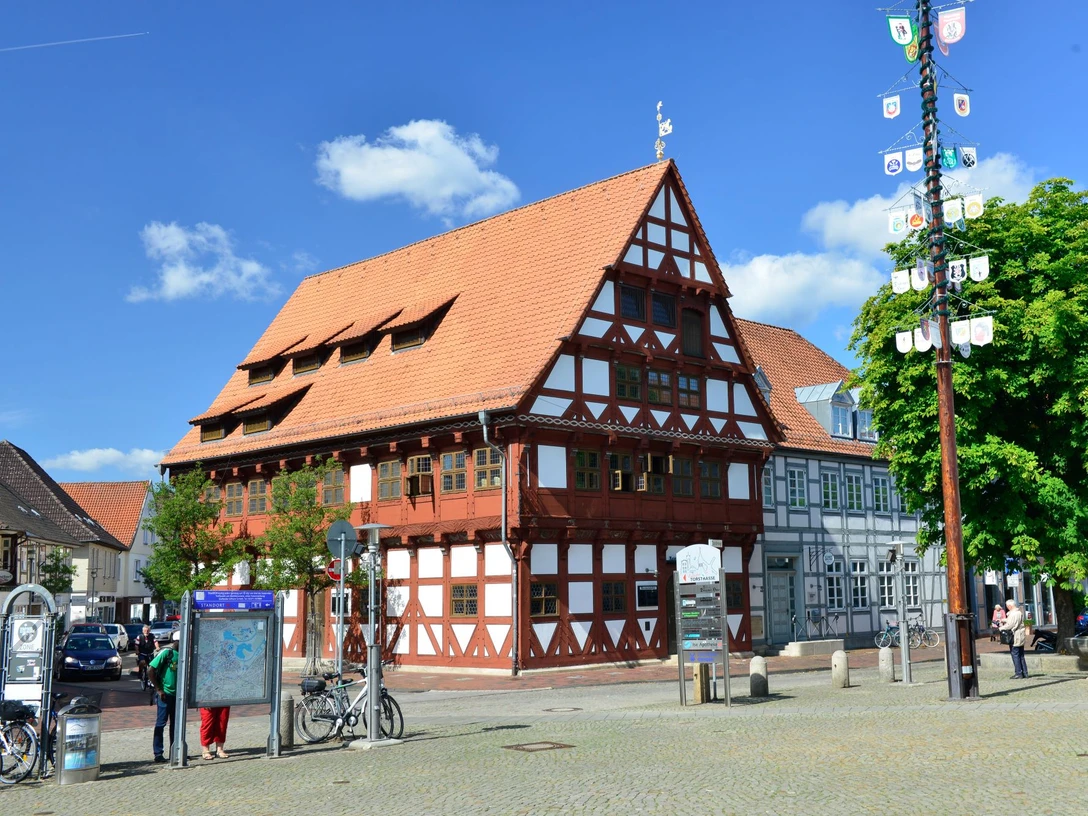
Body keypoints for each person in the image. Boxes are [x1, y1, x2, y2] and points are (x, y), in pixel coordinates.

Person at [148, 630, 180, 763]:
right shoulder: (167, 653)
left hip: (178, 696)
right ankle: (158, 753)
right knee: (161, 724)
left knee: (176, 724)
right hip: (165, 695)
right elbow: (150, 670)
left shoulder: (183, 655)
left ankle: (175, 751)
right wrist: (159, 689)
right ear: (177, 641)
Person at [999, 599, 1028, 679]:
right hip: (1021, 636)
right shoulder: (1019, 612)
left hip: (1015, 637)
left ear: (1010, 606)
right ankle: (1025, 672)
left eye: (1007, 606)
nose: (1007, 607)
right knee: (1021, 655)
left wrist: (1001, 628)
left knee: (1015, 654)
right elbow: (1014, 621)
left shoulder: (1013, 614)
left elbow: (1010, 625)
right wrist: (1004, 620)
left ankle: (1018, 673)